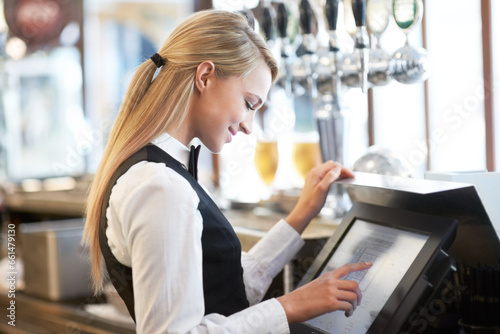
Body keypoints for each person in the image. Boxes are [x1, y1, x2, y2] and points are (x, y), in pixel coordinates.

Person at [83, 9, 372, 333]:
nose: (249, 126)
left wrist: (302, 214)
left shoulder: (164, 171)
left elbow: (225, 289)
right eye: (249, 103)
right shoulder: (160, 186)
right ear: (204, 76)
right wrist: (289, 306)